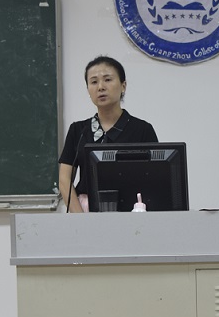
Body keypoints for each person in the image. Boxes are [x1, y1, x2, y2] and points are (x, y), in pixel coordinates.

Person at [58, 55, 158, 212]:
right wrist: (80, 218)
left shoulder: (142, 129)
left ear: (123, 86)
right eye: (93, 82)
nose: (100, 87)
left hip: (132, 213)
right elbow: (64, 179)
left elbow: (154, 178)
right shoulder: (79, 130)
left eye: (107, 79)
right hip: (85, 212)